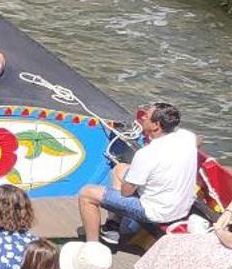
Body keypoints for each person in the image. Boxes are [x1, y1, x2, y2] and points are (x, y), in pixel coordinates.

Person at [78, 100, 197, 244]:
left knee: (87, 194)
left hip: (156, 212)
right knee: (120, 169)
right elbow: (198, 140)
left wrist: (131, 179)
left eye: (147, 116)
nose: (143, 117)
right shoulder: (188, 137)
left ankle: (92, 246)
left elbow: (126, 192)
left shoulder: (147, 154)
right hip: (181, 208)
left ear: (156, 126)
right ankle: (112, 227)